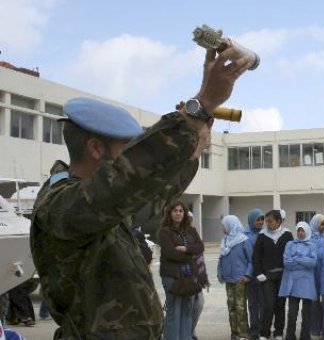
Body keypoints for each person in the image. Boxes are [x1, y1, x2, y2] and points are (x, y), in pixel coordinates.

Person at [30, 45, 250, 338]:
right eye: (126, 149)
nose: (131, 157)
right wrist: (201, 105)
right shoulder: (62, 206)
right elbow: (126, 178)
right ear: (96, 149)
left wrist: (193, 152)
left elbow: (151, 195)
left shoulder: (103, 207)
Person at [159, 201, 205, 340]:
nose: (178, 213)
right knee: (174, 310)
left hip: (190, 276)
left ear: (184, 213)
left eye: (180, 211)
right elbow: (169, 253)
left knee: (187, 310)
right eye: (175, 211)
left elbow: (200, 247)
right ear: (169, 213)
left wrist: (186, 249)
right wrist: (191, 256)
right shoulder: (164, 232)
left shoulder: (191, 230)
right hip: (171, 276)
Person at [252, 209, 293, 340]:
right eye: (266, 221)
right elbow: (256, 256)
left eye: (270, 221)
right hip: (267, 277)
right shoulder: (262, 235)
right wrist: (259, 273)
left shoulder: (287, 235)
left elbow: (291, 254)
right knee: (268, 305)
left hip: (283, 276)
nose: (267, 224)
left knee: (280, 305)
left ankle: (279, 332)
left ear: (279, 221)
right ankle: (264, 332)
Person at [279, 222, 318, 340]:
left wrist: (297, 258)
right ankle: (290, 336)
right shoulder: (290, 244)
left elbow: (313, 263)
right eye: (298, 230)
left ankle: (305, 336)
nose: (300, 233)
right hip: (292, 283)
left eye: (303, 230)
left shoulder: (312, 245)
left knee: (307, 313)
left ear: (307, 231)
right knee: (292, 313)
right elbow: (287, 263)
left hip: (307, 284)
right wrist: (304, 262)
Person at [218, 215, 253, 340]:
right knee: (231, 305)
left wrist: (247, 275)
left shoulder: (244, 240)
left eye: (224, 226)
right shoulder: (225, 240)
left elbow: (251, 260)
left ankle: (243, 333)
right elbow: (221, 258)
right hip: (228, 279)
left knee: (240, 306)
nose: (223, 228)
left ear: (231, 225)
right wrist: (219, 272)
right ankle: (234, 333)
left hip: (240, 279)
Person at [245, 209, 265, 340]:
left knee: (264, 303)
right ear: (252, 220)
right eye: (258, 219)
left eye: (262, 219)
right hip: (251, 275)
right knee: (253, 304)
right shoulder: (245, 235)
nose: (260, 222)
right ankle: (254, 330)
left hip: (263, 275)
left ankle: (263, 329)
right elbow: (248, 257)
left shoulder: (265, 233)